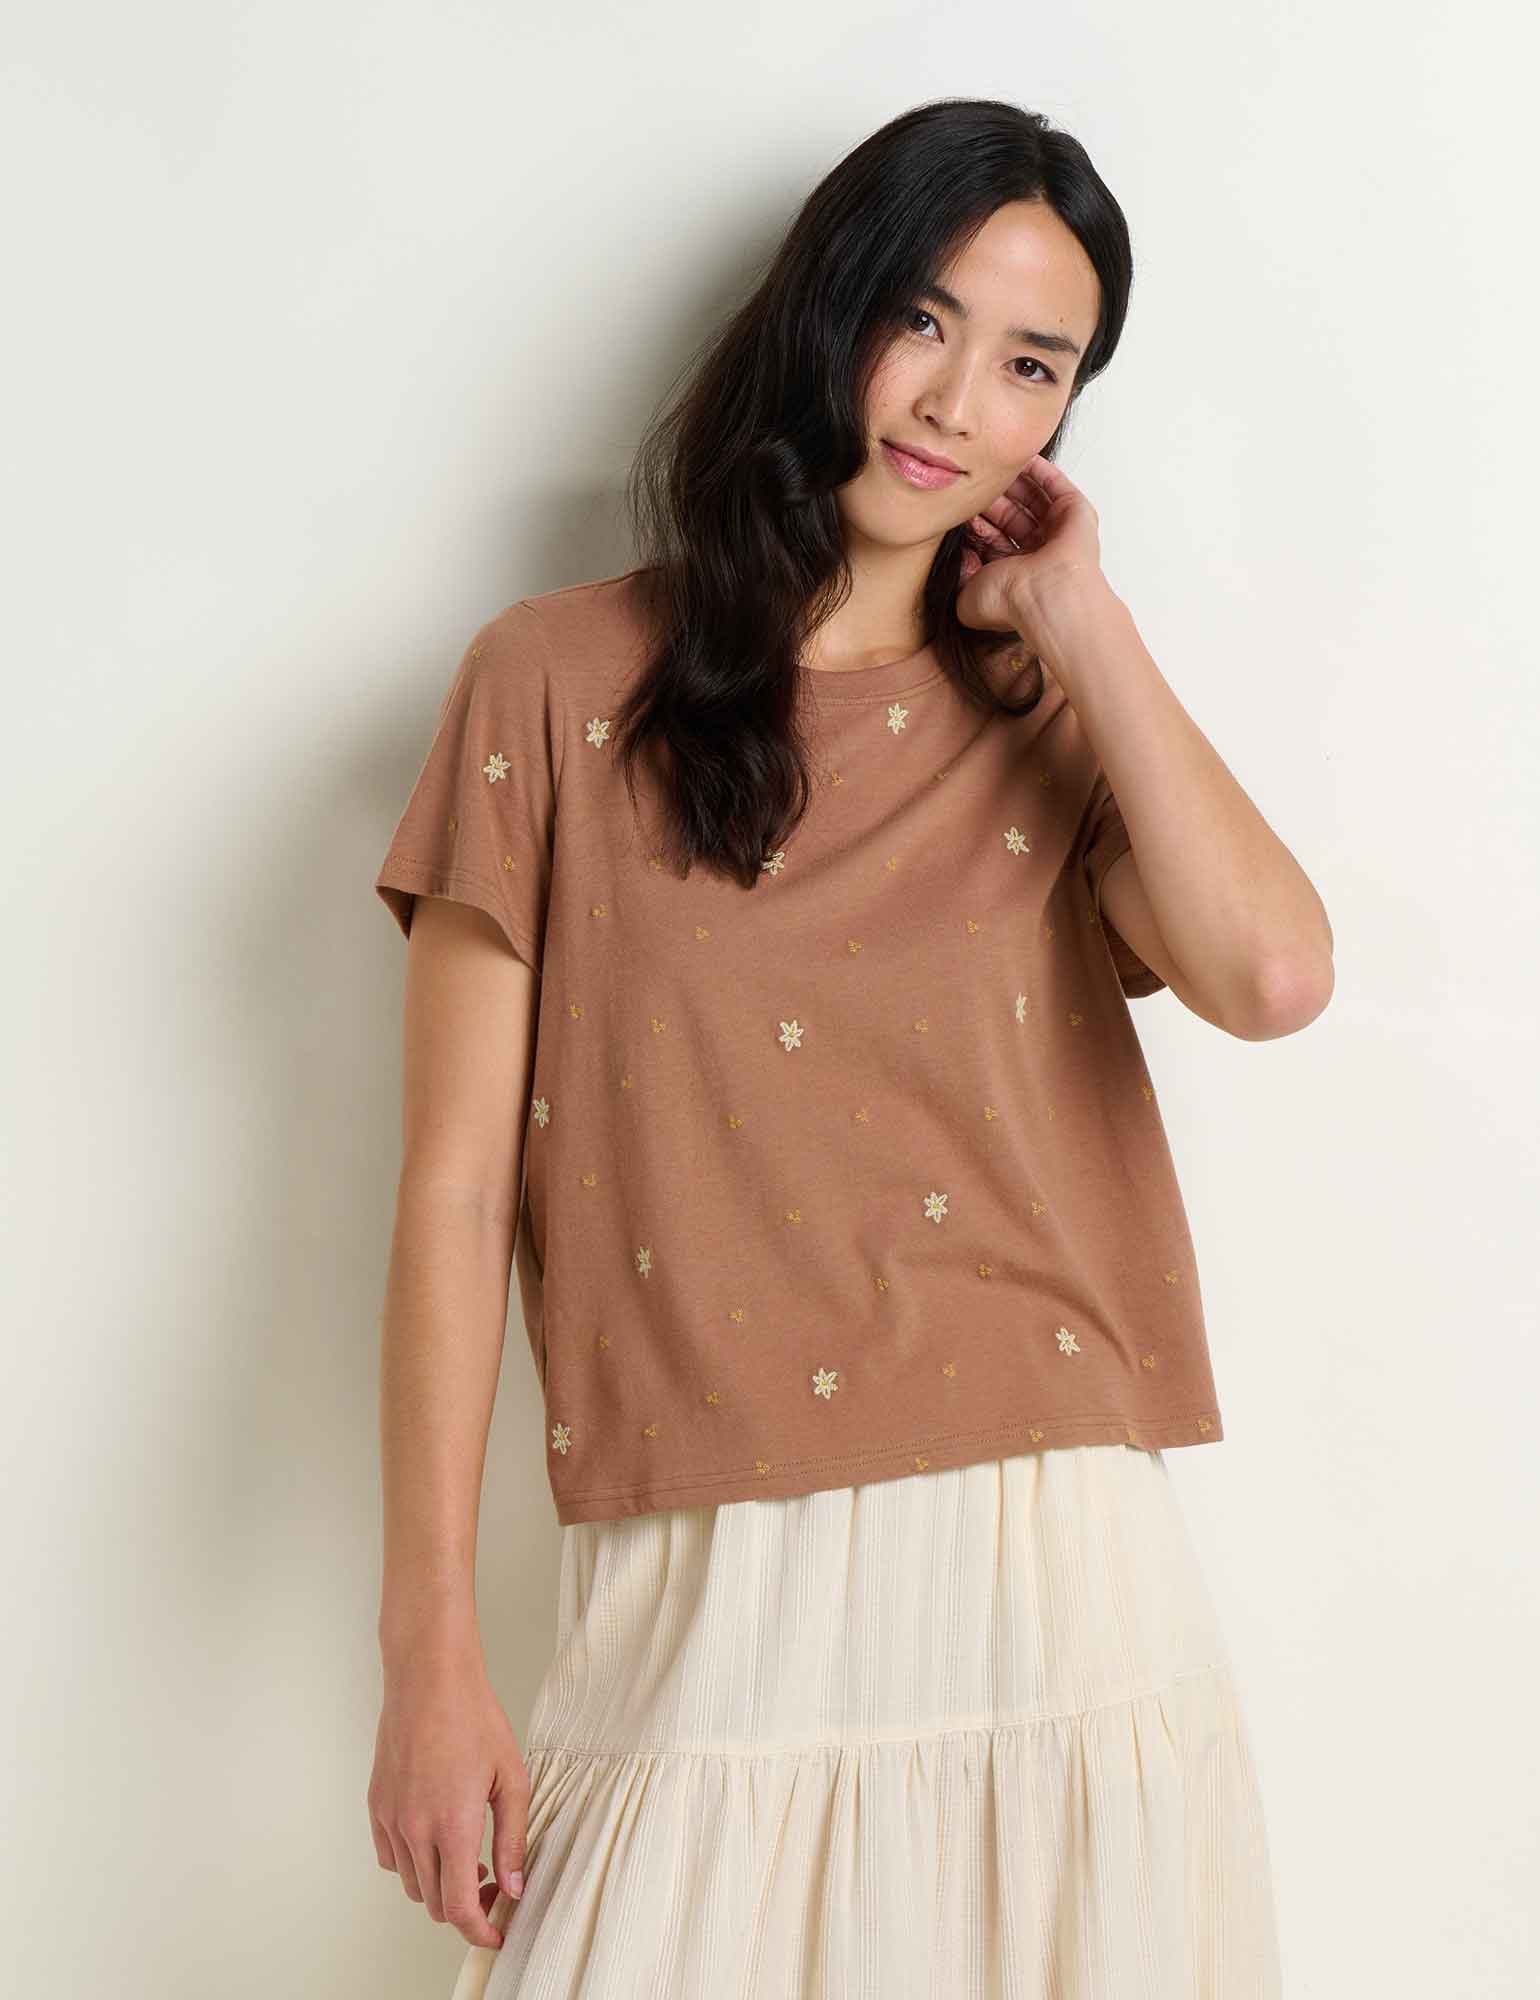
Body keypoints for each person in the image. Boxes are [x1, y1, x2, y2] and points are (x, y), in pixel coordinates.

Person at [367, 96, 1330, 1999]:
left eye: (1033, 364)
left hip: (1053, 1584)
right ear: (832, 307)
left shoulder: (1049, 714)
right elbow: (457, 1192)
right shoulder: (552, 682)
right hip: (699, 1594)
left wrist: (1083, 622)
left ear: (1066, 417)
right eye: (925, 317)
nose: (958, 399)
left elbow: (1275, 976)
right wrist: (431, 1656)